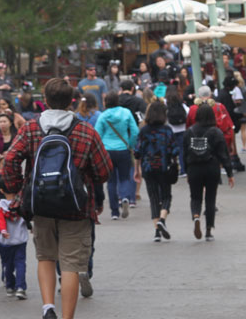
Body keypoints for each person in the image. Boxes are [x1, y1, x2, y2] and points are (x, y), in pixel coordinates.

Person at [1, 78, 113, 319]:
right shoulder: (85, 131)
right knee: (72, 265)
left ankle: (48, 308)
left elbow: (10, 159)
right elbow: (103, 171)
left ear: (45, 100)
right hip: (76, 208)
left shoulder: (30, 128)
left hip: (40, 206)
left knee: (45, 257)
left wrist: (18, 187)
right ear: (72, 101)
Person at [184, 103, 234, 241]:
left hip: (194, 168)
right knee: (210, 199)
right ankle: (208, 230)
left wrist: (187, 171)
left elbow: (184, 153)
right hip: (212, 168)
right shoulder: (216, 132)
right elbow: (224, 154)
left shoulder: (189, 132)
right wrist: (229, 173)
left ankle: (195, 216)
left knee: (195, 197)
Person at [134, 101, 178, 242]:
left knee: (153, 198)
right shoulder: (167, 130)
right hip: (164, 167)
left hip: (148, 167)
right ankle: (162, 220)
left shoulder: (144, 131)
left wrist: (136, 169)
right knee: (166, 196)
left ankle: (157, 233)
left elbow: (137, 152)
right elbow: (174, 150)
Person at [94, 92, 139, 220]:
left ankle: (114, 211)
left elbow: (97, 134)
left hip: (107, 151)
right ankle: (125, 197)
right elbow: (135, 131)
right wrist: (130, 144)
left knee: (111, 181)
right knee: (125, 177)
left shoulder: (103, 116)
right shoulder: (126, 113)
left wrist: (101, 148)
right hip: (123, 148)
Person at [0, 180, 29, 299]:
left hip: (6, 241)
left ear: (1, 190)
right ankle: (21, 287)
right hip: (20, 238)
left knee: (8, 264)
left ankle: (9, 285)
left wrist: (3, 230)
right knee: (20, 263)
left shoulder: (0, 205)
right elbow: (27, 216)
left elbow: (0, 219)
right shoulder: (21, 203)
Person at [186, 85, 235, 156]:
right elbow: (230, 126)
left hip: (198, 144)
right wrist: (232, 145)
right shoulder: (219, 107)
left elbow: (188, 127)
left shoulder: (192, 109)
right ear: (211, 94)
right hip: (218, 142)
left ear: (199, 96)